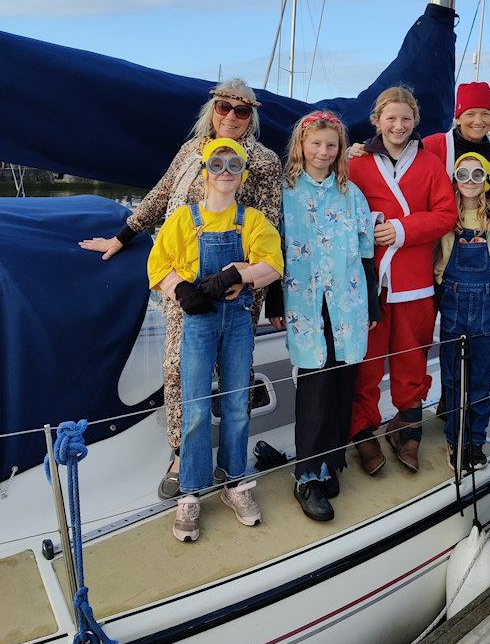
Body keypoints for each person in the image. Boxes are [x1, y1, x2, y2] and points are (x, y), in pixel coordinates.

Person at [79, 80, 282, 500]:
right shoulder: (191, 151)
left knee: (233, 376)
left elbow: (272, 224)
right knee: (178, 368)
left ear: (252, 117)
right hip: (182, 282)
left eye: (241, 111)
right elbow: (158, 198)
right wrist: (121, 237)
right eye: (223, 107)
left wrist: (247, 281)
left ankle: (232, 465)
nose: (230, 116)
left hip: (235, 283)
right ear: (212, 110)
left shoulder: (262, 162)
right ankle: (181, 455)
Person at [147, 138, 283, 542]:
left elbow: (273, 263)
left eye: (234, 164)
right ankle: (190, 490)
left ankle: (235, 481)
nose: (226, 171)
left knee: (237, 402)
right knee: (195, 405)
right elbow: (158, 263)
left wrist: (238, 274)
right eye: (218, 163)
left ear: (243, 173)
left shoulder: (253, 219)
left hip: (238, 319)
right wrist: (181, 291)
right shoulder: (184, 219)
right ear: (205, 170)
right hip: (198, 320)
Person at [266, 111, 381, 522]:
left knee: (342, 381)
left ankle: (331, 462)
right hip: (305, 304)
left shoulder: (351, 194)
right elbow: (272, 252)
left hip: (347, 304)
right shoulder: (285, 193)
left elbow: (366, 253)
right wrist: (274, 303)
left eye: (331, 145)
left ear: (339, 149)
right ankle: (306, 476)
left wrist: (372, 302)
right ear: (301, 145)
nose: (323, 151)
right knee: (314, 386)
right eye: (315, 144)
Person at [347, 86, 458, 475]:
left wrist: (401, 228)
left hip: (415, 280)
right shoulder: (356, 165)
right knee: (368, 360)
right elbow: (339, 210)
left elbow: (446, 214)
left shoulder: (429, 165)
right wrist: (373, 224)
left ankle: (407, 424)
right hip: (371, 283)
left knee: (413, 355)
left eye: (406, 119)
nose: (398, 125)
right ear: (376, 120)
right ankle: (362, 428)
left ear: (416, 123)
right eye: (390, 118)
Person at [435, 152, 490, 472]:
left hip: (486, 306)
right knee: (453, 380)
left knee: (480, 381)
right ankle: (455, 439)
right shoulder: (447, 215)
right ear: (454, 180)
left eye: (477, 175)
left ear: (486, 181)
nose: (469, 182)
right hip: (453, 304)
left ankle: (475, 441)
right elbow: (439, 261)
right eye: (463, 175)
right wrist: (440, 283)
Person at [423, 81, 490, 205]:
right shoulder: (431, 146)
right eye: (470, 114)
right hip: (440, 222)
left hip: (485, 222)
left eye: (485, 114)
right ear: (458, 118)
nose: (478, 121)